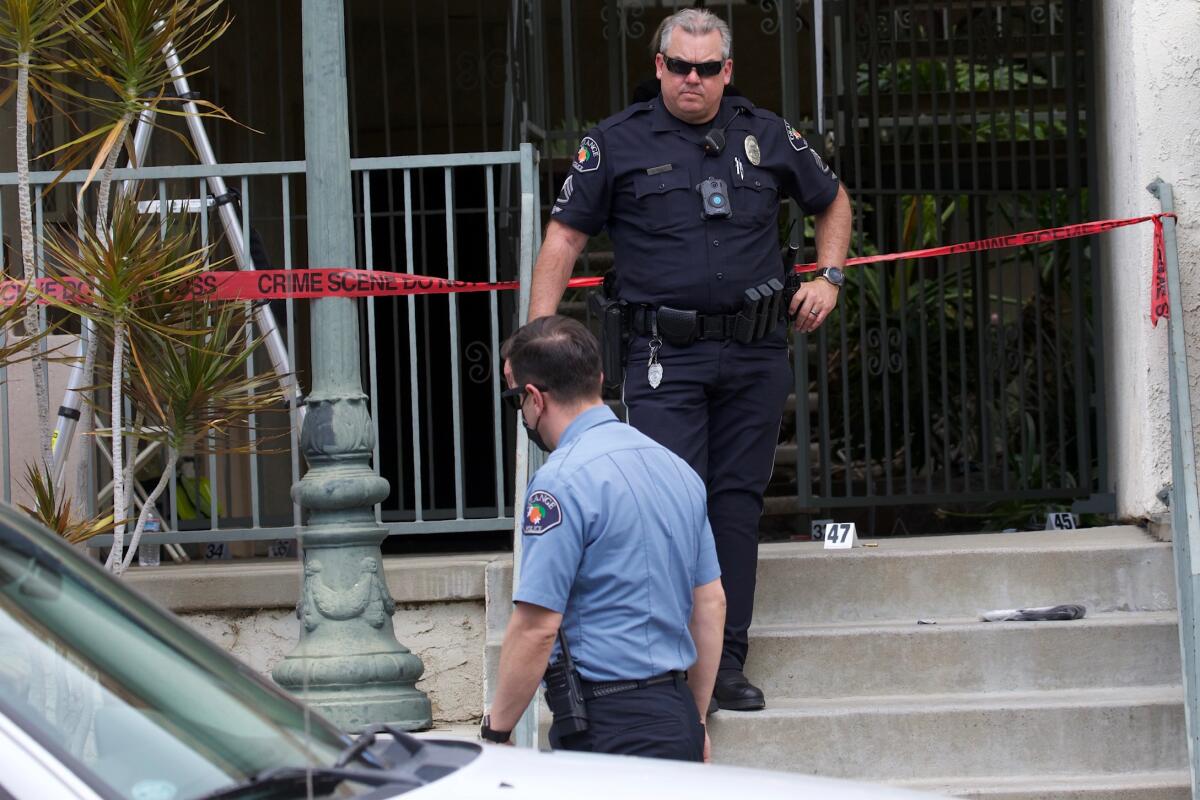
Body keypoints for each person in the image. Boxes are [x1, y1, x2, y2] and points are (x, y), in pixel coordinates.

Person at [527, 7, 852, 713]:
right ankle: (666, 663)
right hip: (662, 358)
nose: (694, 80)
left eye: (708, 68)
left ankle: (725, 663)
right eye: (681, 67)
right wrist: (536, 347)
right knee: (669, 503)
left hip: (754, 353)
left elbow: (832, 201)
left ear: (727, 71)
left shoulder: (767, 135)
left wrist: (829, 277)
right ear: (660, 67)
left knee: (736, 503)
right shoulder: (614, 142)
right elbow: (561, 244)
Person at [482, 315, 726, 762]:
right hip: (676, 716)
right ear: (596, 378)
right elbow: (711, 603)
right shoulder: (679, 470)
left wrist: (496, 732)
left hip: (607, 727)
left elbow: (536, 628)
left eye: (516, 399)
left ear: (534, 399)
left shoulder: (557, 483)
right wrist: (695, 720)